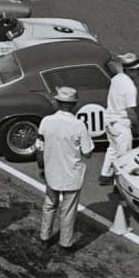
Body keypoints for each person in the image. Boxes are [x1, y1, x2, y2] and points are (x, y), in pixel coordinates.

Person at [36, 87, 94, 252]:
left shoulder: (46, 121)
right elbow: (87, 153)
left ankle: (44, 238)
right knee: (68, 211)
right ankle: (65, 244)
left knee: (49, 205)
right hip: (72, 175)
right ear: (75, 104)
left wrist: (42, 167)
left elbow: (39, 148)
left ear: (57, 102)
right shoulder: (79, 125)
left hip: (52, 172)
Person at [98, 53, 139, 186]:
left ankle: (105, 174)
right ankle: (121, 184)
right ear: (131, 70)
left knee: (112, 149)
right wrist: (138, 124)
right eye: (137, 69)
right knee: (124, 155)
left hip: (109, 120)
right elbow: (130, 110)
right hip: (120, 123)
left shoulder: (117, 78)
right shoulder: (130, 87)